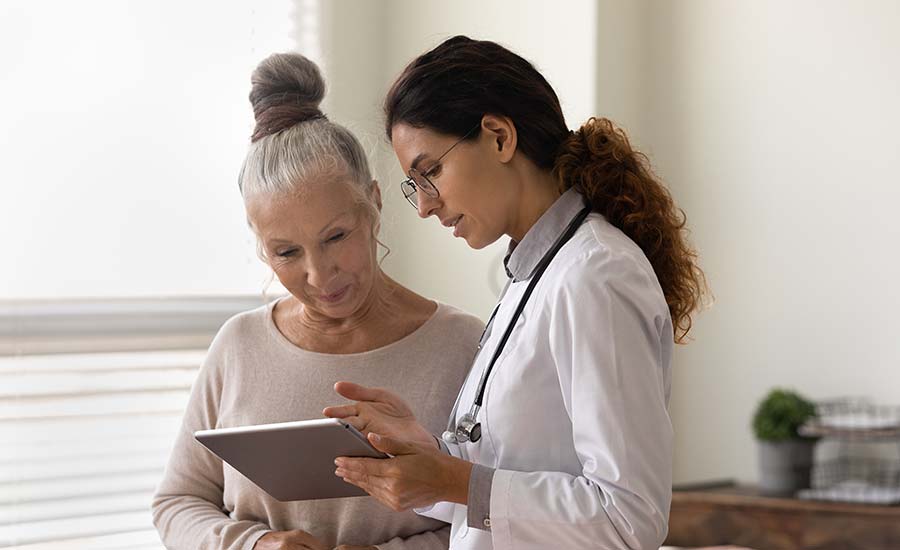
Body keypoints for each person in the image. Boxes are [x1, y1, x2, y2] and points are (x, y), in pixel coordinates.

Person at [324, 36, 708, 550]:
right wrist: (428, 457)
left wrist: (453, 480)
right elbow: (512, 482)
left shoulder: (595, 275)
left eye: (430, 171)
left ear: (500, 137)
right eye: (415, 185)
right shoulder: (535, 275)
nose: (424, 207)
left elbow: (628, 519)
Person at [151, 52, 484, 550]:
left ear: (373, 201)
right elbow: (177, 502)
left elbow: (493, 514)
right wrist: (254, 545)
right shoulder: (238, 346)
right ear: (261, 246)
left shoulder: (466, 346)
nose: (318, 274)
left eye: (335, 237)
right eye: (286, 252)